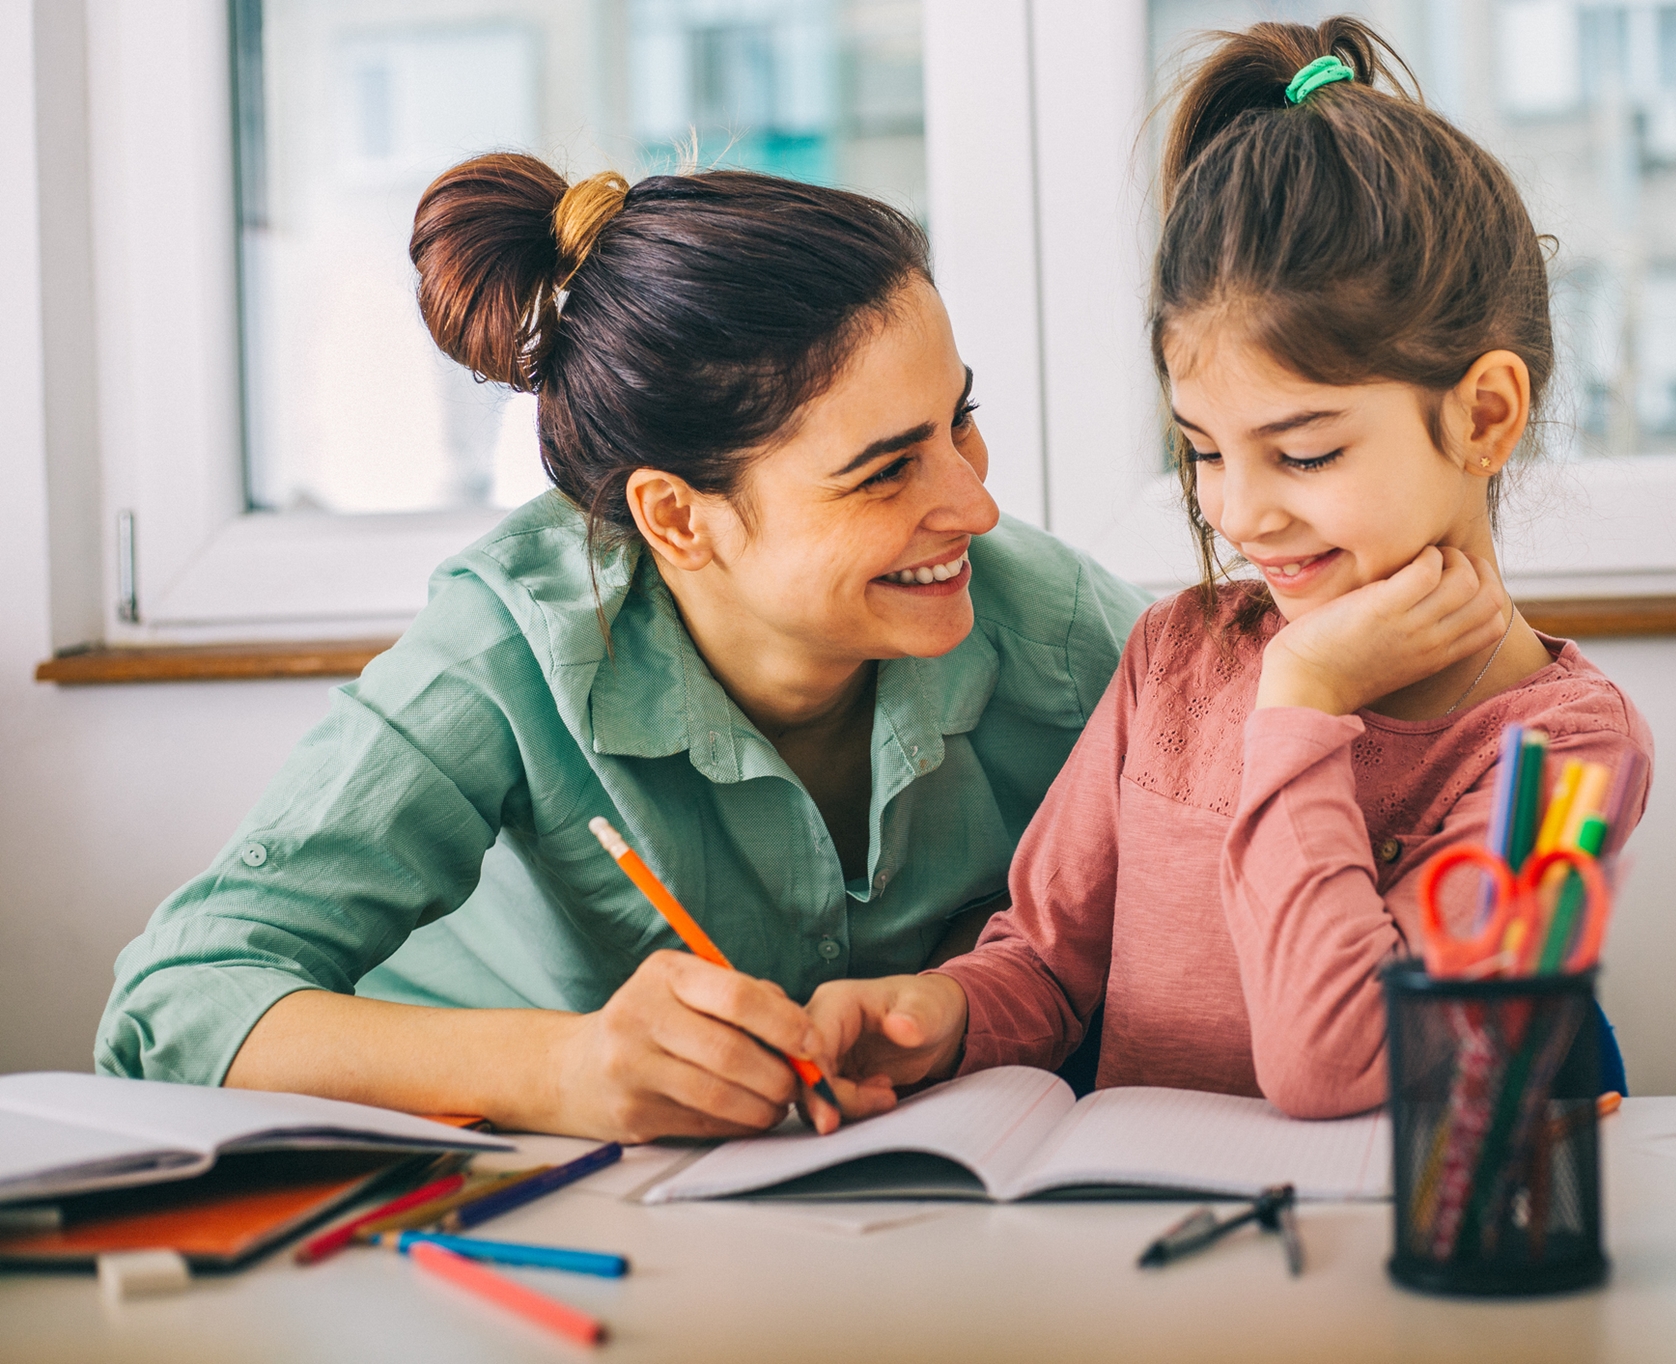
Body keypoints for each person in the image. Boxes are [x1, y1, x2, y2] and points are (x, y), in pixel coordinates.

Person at [96, 156, 1147, 1140]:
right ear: (679, 519)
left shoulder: (1053, 629)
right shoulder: (503, 648)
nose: (975, 501)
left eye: (957, 421)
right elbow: (172, 1005)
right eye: (884, 472)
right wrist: (563, 1070)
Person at [806, 18, 1655, 1121]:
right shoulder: (1176, 658)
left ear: (1484, 414)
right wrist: (933, 1017)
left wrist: (1301, 704)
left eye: (1303, 452)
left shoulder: (1561, 755)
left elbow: (1339, 1065)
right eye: (1202, 450)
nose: (1237, 510)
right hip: (1149, 1254)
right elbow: (1050, 966)